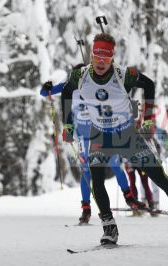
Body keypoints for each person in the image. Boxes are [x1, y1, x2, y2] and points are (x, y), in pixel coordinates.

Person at [56, 32, 168, 245]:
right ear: (91, 56)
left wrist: (149, 119)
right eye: (96, 57)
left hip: (127, 136)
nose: (100, 62)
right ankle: (109, 228)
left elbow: (149, 84)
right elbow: (67, 93)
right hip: (99, 135)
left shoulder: (123, 75)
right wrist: (68, 124)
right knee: (95, 179)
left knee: (160, 178)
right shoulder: (80, 75)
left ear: (112, 59)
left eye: (105, 58)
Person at [40, 65, 145, 225]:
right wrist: (47, 86)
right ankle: (86, 209)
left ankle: (129, 198)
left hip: (102, 130)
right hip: (83, 135)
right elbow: (44, 93)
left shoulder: (95, 83)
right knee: (86, 171)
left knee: (115, 164)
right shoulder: (69, 85)